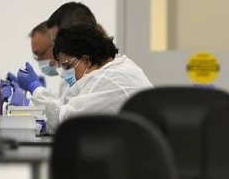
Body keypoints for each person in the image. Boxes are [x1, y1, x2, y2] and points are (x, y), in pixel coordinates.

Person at [14, 24, 153, 132]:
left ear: (86, 60)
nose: (66, 73)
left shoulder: (109, 79)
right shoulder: (114, 70)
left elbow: (66, 122)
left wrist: (36, 89)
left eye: (67, 65)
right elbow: (69, 108)